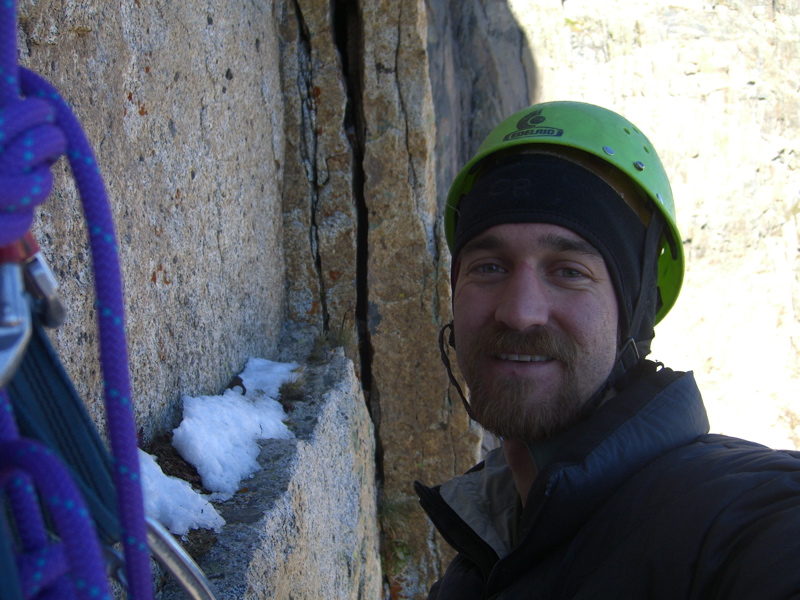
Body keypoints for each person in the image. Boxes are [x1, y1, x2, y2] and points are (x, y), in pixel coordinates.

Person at [415, 101, 800, 599]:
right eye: (489, 266)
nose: (519, 311)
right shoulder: (477, 566)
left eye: (569, 271)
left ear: (635, 312)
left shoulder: (741, 514)